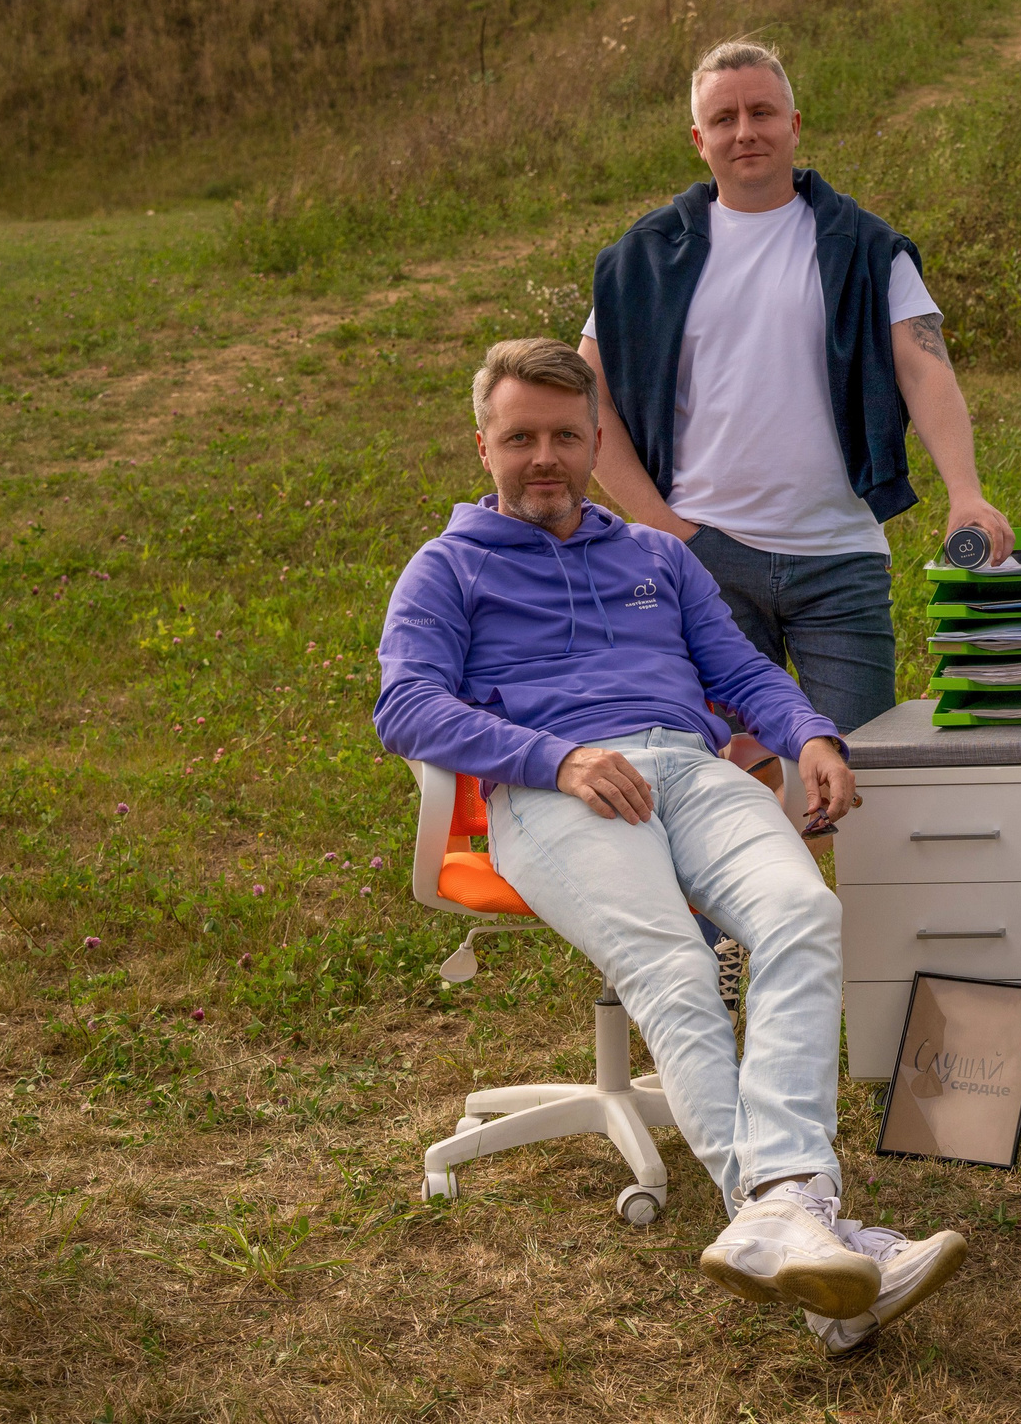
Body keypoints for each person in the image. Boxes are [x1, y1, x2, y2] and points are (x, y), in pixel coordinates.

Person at [374, 337, 966, 1352]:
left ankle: (784, 1218)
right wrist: (552, 757)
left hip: (690, 774)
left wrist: (808, 733)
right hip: (554, 791)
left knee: (799, 915)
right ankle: (817, 1228)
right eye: (521, 438)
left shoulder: (656, 557)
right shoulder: (447, 568)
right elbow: (406, 704)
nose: (545, 457)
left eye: (566, 435)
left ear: (598, 441)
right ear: (484, 445)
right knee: (676, 966)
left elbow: (738, 667)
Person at [579, 38, 1010, 735]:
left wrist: (966, 490)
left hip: (838, 555)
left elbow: (925, 365)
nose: (744, 131)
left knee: (860, 775)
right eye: (723, 119)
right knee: (728, 787)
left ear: (795, 124)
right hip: (704, 559)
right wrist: (665, 529)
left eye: (762, 112)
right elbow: (584, 398)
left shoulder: (865, 247)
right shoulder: (645, 258)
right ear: (698, 139)